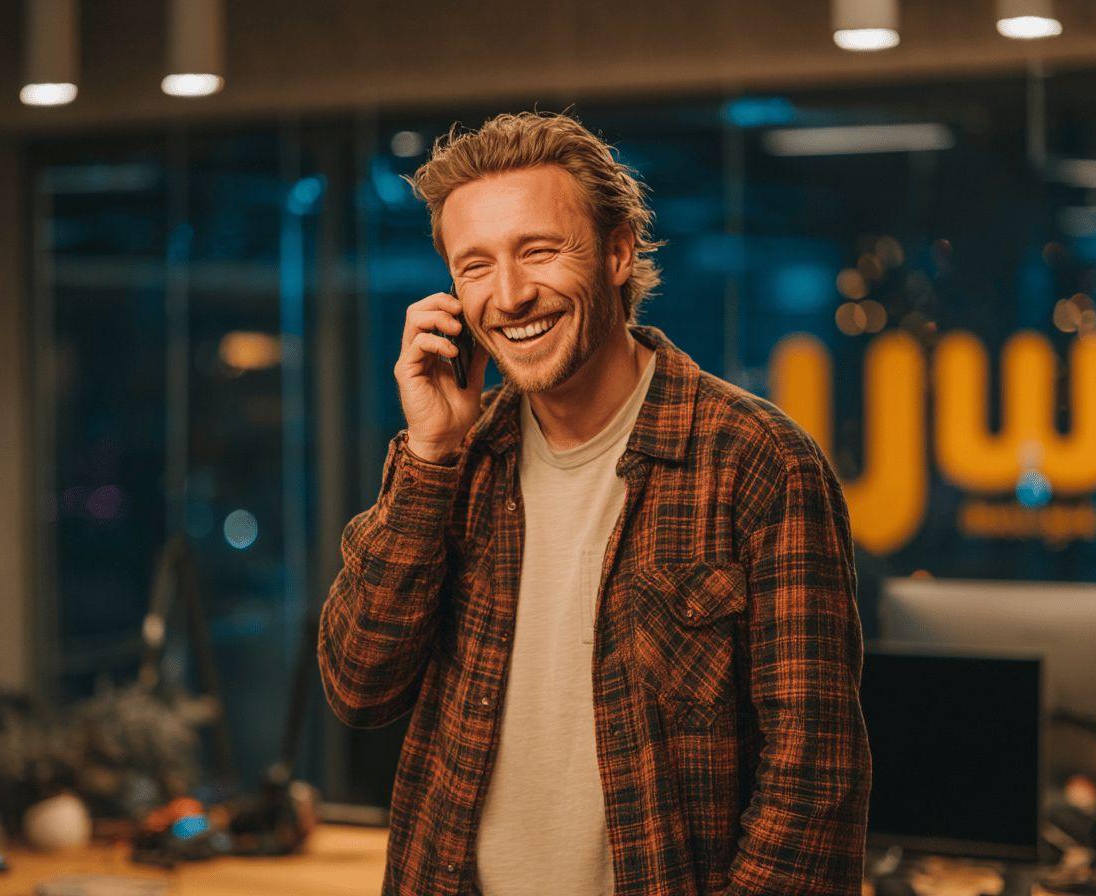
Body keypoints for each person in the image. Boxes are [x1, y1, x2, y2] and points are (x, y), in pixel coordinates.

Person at [318, 110, 870, 896]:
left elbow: (814, 782)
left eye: (538, 251)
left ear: (616, 253)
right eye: (475, 266)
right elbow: (357, 685)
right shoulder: (453, 459)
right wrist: (431, 455)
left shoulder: (756, 460)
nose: (508, 296)